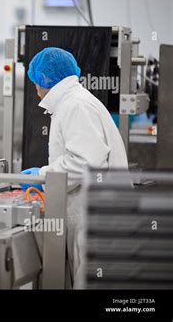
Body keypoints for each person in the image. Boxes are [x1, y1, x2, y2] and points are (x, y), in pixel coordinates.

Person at [20, 47, 129, 288]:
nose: (36, 90)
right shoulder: (73, 102)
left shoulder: (75, 106)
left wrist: (41, 175)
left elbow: (85, 163)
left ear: (45, 80)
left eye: (36, 82)